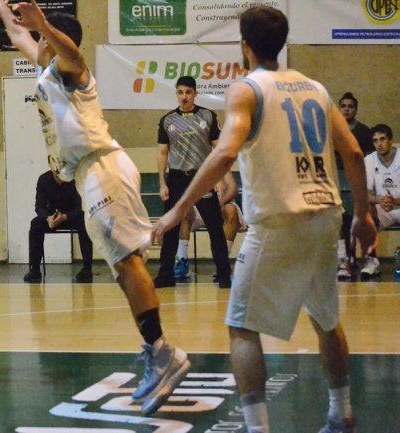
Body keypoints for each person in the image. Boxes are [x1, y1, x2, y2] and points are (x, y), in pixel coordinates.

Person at [152, 6, 376, 433]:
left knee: (241, 326)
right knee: (327, 321)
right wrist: (362, 213)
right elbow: (352, 152)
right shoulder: (316, 88)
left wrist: (179, 209)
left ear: (245, 47)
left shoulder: (247, 89)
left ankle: (258, 428)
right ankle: (341, 413)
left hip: (279, 219)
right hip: (326, 213)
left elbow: (225, 152)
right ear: (284, 42)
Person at [0, 0, 190, 415]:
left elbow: (72, 52)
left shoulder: (70, 68)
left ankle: (163, 352)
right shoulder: (46, 70)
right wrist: (4, 13)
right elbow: (22, 38)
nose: (32, 42)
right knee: (123, 267)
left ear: (51, 40)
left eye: (40, 37)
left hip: (103, 168)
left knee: (128, 264)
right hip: (89, 176)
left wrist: (42, 26)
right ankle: (157, 350)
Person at [155, 75, 232, 288]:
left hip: (202, 178)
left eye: (188, 92)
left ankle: (224, 275)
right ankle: (165, 275)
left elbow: (219, 148)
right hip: (177, 178)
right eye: (180, 92)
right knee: (170, 226)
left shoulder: (207, 116)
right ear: (176, 94)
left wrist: (218, 178)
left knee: (215, 226)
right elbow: (162, 153)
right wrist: (162, 183)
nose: (184, 96)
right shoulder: (167, 120)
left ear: (195, 94)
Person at [23, 169, 93, 283]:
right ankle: (34, 269)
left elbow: (80, 206)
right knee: (35, 224)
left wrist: (66, 216)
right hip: (52, 217)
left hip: (70, 216)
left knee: (85, 222)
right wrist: (48, 218)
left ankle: (87, 269)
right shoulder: (44, 179)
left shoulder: (75, 178)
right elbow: (39, 206)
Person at [175, 172, 244, 280]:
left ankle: (222, 262)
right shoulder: (191, 168)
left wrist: (219, 202)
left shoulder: (223, 166)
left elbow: (233, 189)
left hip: (221, 206)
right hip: (198, 209)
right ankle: (182, 261)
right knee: (184, 212)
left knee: (231, 211)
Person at [335, 92, 374, 279]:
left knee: (354, 220)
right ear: (339, 108)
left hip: (356, 180)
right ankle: (344, 259)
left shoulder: (365, 132)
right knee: (339, 220)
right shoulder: (331, 130)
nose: (347, 109)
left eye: (350, 106)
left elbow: (369, 159)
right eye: (343, 106)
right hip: (335, 180)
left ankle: (363, 259)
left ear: (355, 109)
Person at [360, 124, 398, 278]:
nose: (379, 144)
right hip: (383, 208)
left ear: (390, 141)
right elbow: (365, 193)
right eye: (375, 141)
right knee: (364, 209)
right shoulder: (369, 160)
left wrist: (395, 201)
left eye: (382, 139)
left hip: (398, 204)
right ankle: (372, 260)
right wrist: (379, 200)